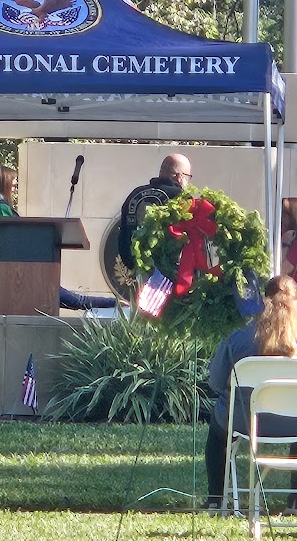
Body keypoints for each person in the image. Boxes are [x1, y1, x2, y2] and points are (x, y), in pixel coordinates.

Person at [0, 164, 118, 314]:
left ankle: (116, 303)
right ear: (3, 183)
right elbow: (15, 247)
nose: (15, 188)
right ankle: (118, 303)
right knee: (70, 299)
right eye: (13, 184)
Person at [203, 275, 297, 512]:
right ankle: (295, 501)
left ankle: (216, 500)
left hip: (241, 421)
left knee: (217, 434)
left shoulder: (238, 335)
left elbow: (215, 382)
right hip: (292, 424)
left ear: (262, 299)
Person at [118, 153, 192, 269]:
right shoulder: (181, 198)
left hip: (136, 271)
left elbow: (123, 236)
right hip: (168, 276)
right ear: (179, 176)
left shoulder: (135, 194)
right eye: (188, 176)